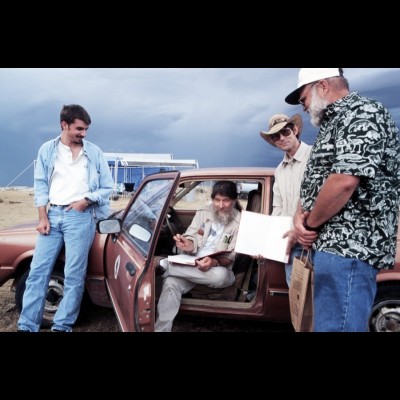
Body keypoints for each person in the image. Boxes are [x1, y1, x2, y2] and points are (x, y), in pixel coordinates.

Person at [285, 68, 400, 332]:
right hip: (333, 250)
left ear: (323, 87)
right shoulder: (333, 123)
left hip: (349, 250)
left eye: (303, 98)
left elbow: (344, 181)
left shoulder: (362, 113)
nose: (303, 107)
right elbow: (317, 179)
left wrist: (310, 226)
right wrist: (298, 217)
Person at [18, 104, 113, 332]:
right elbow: (40, 185)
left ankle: (62, 326)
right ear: (64, 125)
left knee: (74, 276)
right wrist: (42, 217)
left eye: (86, 129)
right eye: (79, 129)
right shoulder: (47, 150)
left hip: (80, 217)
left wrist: (86, 201)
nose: (84, 134)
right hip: (53, 215)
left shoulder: (95, 152)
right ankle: (27, 325)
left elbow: (107, 187)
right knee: (37, 272)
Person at [155, 181, 242, 332]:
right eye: (217, 200)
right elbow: (191, 234)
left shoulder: (240, 222)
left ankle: (166, 266)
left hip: (217, 269)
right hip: (192, 263)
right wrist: (187, 244)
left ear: (234, 201)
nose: (221, 205)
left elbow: (231, 256)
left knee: (220, 276)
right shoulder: (203, 211)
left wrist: (213, 262)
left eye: (226, 200)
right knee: (171, 283)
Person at [260, 113, 312, 286]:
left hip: (315, 241)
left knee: (321, 300)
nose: (282, 138)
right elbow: (278, 209)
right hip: (291, 244)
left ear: (295, 130)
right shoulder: (279, 171)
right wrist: (268, 241)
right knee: (298, 300)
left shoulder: (314, 157)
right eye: (276, 136)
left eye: (286, 132)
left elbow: (320, 199)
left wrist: (300, 231)